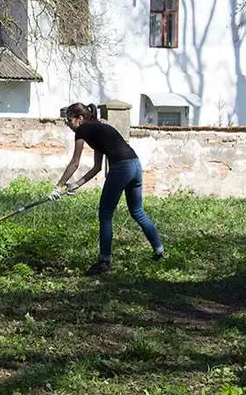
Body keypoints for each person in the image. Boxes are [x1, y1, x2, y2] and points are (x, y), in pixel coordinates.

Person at [51, 102, 165, 276]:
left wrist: (58, 187)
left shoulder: (83, 130)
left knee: (105, 214)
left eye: (69, 119)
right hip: (135, 165)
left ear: (79, 118)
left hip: (122, 168)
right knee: (137, 211)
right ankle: (159, 250)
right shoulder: (97, 129)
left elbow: (75, 162)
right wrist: (76, 184)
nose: (67, 123)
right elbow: (97, 167)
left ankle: (104, 261)